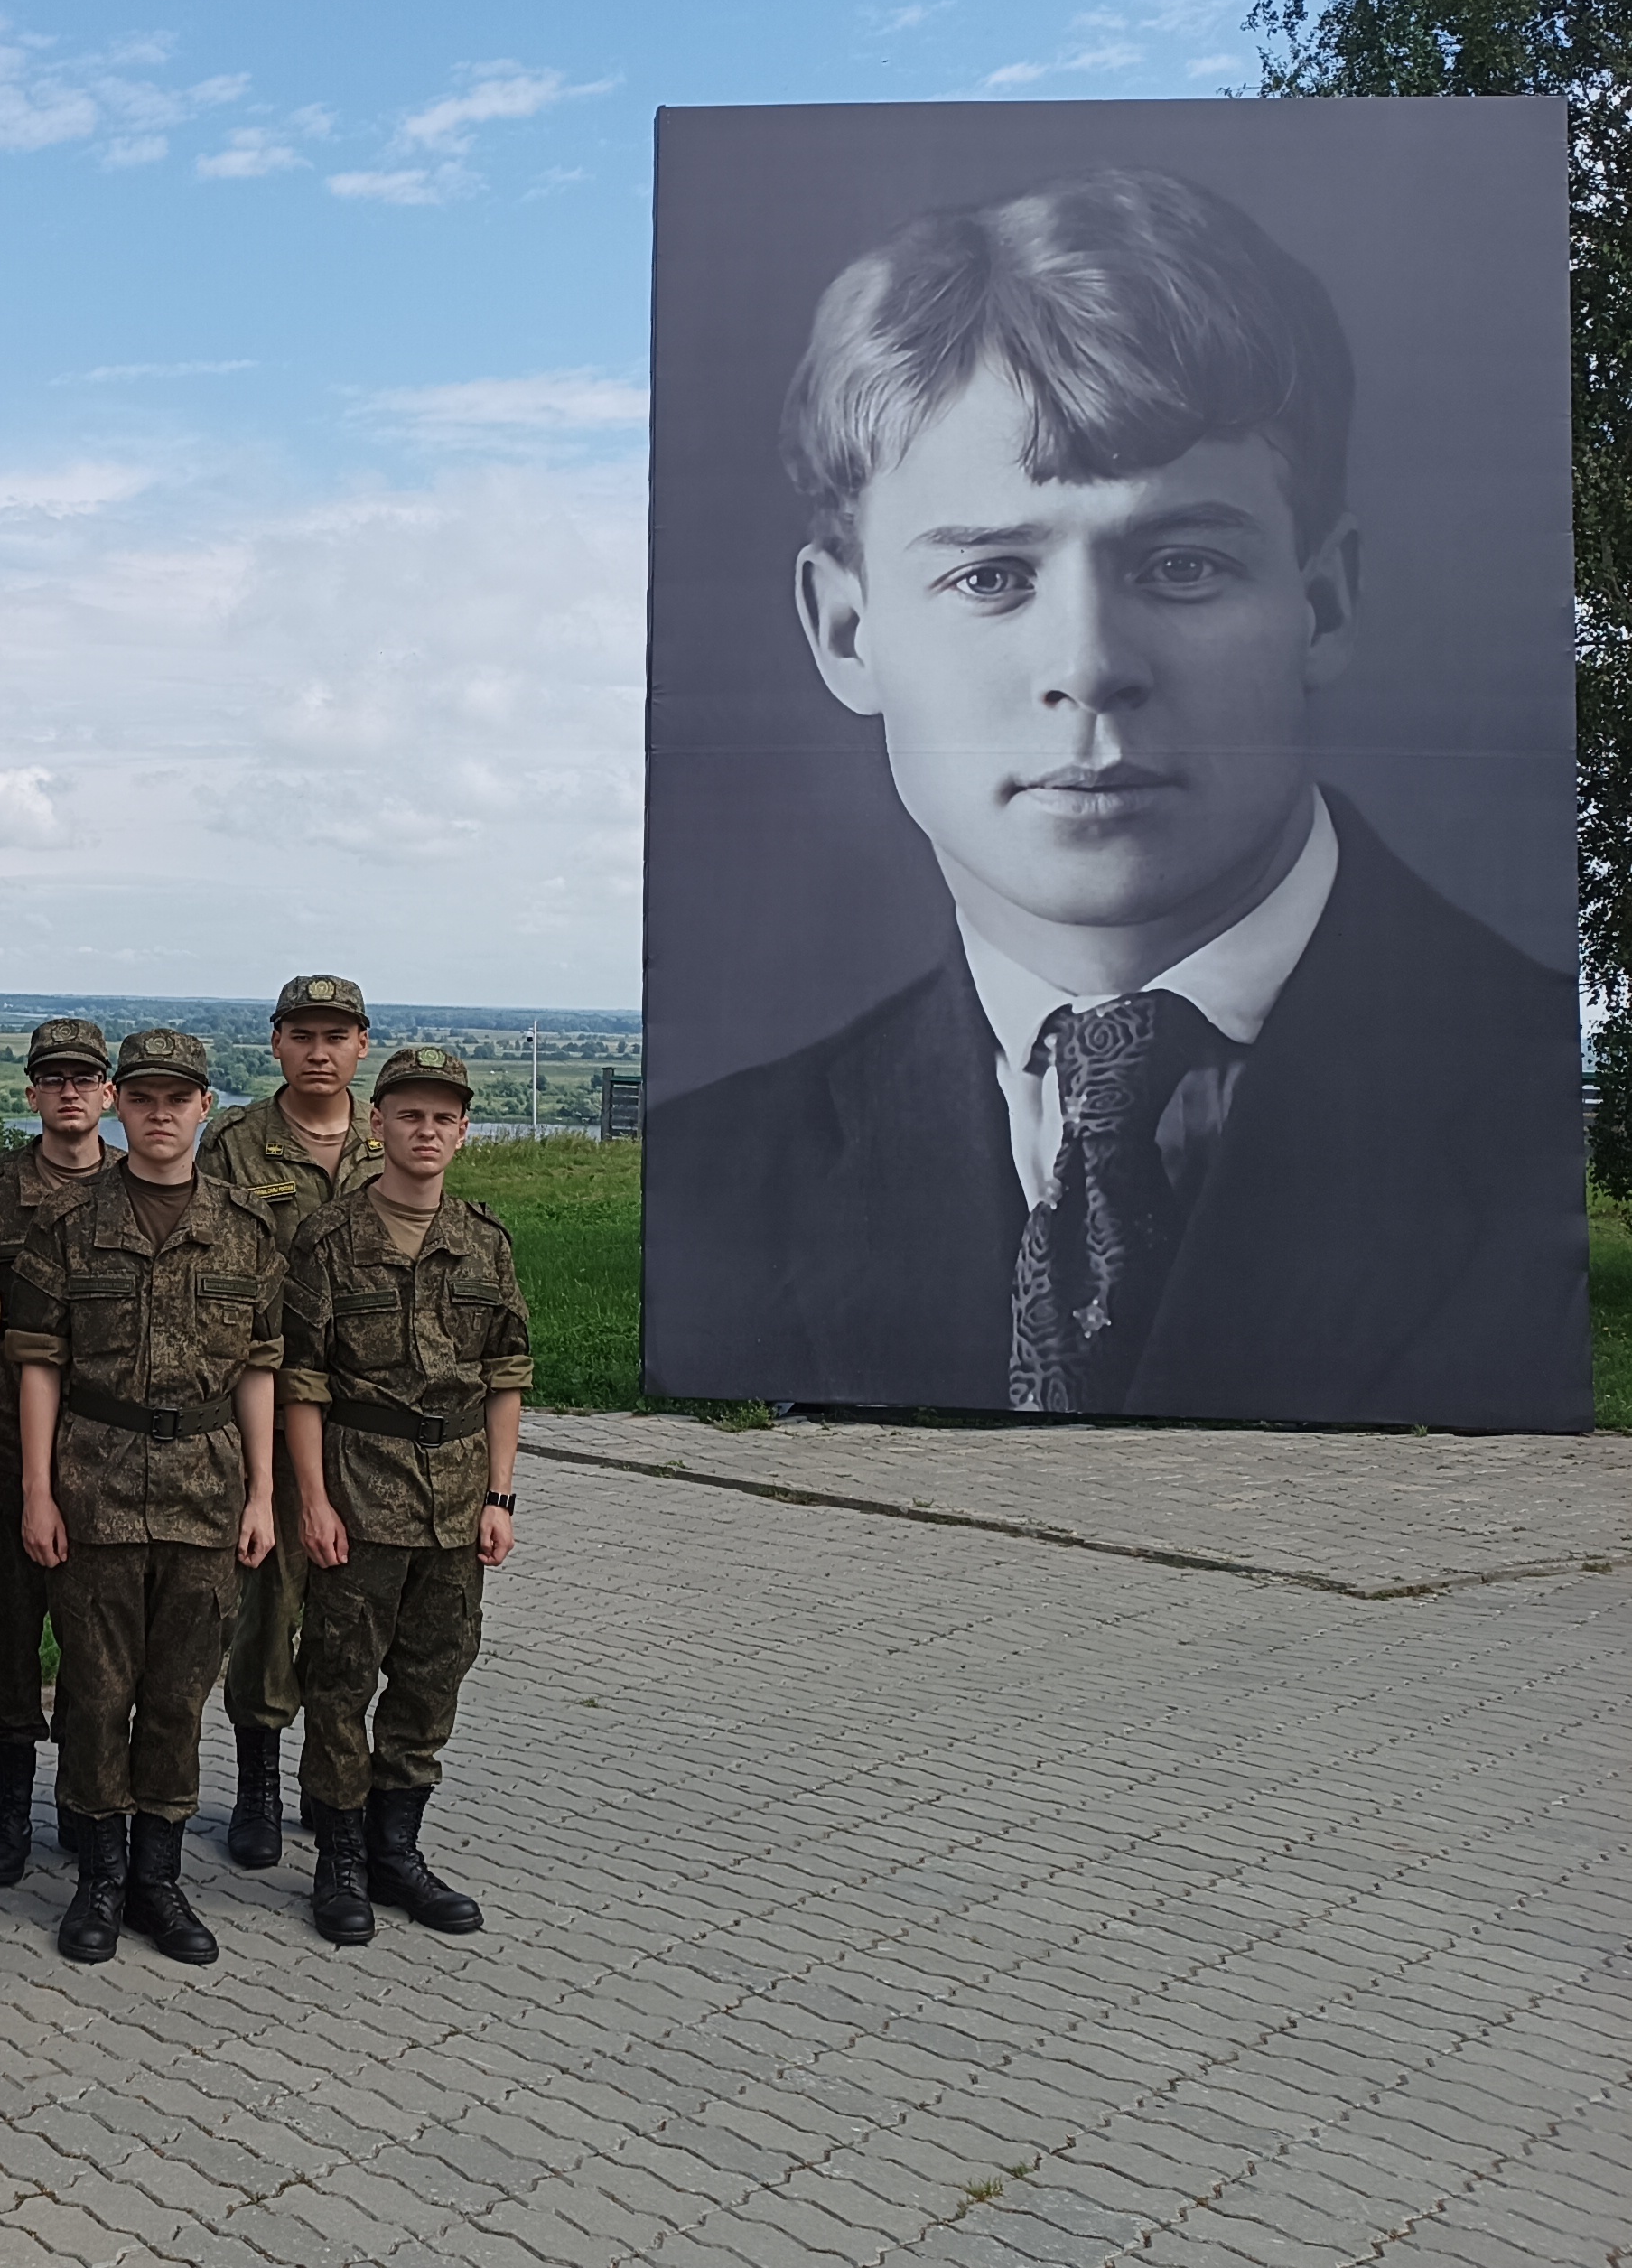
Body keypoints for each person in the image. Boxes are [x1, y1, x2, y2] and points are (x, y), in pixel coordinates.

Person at [648, 166, 1589, 1430]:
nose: (1089, 666)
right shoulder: (715, 1180)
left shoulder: (1532, 1104)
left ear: (1324, 604)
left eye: (1182, 563)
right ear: (847, 631)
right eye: (990, 577)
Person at [5, 1029, 284, 1969]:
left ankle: (156, 1881)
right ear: (119, 1104)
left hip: (207, 1488)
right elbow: (37, 1364)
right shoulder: (68, 1224)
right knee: (95, 1690)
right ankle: (96, 1876)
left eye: (180, 1098)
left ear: (206, 1107)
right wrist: (37, 1491)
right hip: (95, 1479)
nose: (161, 1114)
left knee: (176, 1694)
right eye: (144, 1097)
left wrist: (262, 1494)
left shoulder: (247, 1229)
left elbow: (258, 1369)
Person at [279, 1050, 527, 1946]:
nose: (426, 1133)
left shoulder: (483, 1242)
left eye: (443, 1120)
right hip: (358, 1480)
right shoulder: (327, 1240)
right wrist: (312, 1500)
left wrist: (500, 1494)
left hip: (458, 1495)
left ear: (462, 1134)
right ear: (376, 1122)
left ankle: (397, 1850)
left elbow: (505, 1376)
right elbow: (301, 1381)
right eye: (409, 1116)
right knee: (340, 1678)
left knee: (433, 1674)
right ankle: (339, 1861)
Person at [203, 975, 384, 1869]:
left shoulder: (389, 1141)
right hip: (271, 1405)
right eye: (302, 1033)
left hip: (374, 1416)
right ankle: (257, 1784)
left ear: (361, 1044)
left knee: (352, 1610)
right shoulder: (235, 1146)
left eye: (336, 1035)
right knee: (269, 1607)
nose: (319, 1050)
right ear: (275, 1042)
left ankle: (332, 1779)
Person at [0, 1017, 115, 1885]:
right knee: (11, 1637)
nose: (68, 1091)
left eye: (83, 1077)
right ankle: (7, 1810)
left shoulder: (139, 1189)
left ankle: (83, 1803)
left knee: (100, 1645)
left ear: (106, 1095)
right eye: (51, 1078)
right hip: (14, 1455)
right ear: (32, 1094)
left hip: (109, 1458)